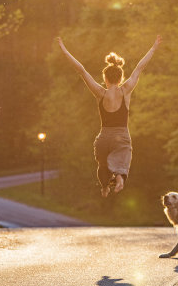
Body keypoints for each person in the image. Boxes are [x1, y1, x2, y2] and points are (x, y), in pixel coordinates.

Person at [57, 35, 162, 197]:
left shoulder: (100, 93)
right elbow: (140, 67)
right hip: (121, 135)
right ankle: (119, 178)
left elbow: (81, 70)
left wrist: (64, 50)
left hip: (104, 137)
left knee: (102, 164)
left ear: (105, 78)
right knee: (122, 158)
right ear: (121, 78)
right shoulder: (125, 90)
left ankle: (105, 186)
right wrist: (154, 47)